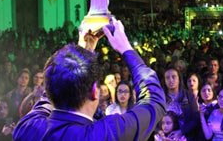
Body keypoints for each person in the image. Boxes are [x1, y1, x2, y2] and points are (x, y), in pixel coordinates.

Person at [13, 19, 166, 140]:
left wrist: (82, 55)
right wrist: (126, 48)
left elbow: (52, 92)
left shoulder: (27, 128)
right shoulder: (106, 133)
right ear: (94, 92)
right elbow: (154, 101)